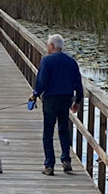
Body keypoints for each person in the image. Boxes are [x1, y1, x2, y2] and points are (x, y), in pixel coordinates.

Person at [26, 33, 82, 175]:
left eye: (47, 45)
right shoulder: (71, 62)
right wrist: (78, 100)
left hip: (50, 100)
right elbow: (78, 83)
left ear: (51, 46)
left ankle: (49, 165)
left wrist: (35, 94)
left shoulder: (47, 61)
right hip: (66, 99)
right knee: (63, 129)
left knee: (48, 132)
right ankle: (66, 160)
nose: (46, 48)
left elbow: (41, 81)